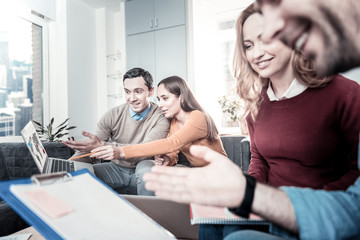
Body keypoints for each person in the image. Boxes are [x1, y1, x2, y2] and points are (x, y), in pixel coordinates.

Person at [143, 0, 360, 239]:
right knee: (212, 222)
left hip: (314, 213)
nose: (256, 53)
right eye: (248, 45)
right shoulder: (255, 103)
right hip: (263, 206)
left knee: (236, 235)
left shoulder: (345, 93)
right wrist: (248, 192)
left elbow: (354, 172)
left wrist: (285, 204)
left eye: (266, 39)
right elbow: (259, 159)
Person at [62, 67, 170, 196]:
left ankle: (148, 215)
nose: (132, 98)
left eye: (138, 91)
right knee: (81, 173)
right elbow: (92, 149)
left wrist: (107, 147)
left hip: (143, 166)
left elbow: (146, 149)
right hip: (115, 169)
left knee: (146, 168)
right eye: (127, 92)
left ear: (151, 92)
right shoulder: (112, 115)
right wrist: (67, 167)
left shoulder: (161, 116)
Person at [90, 76, 227, 167]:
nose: (160, 104)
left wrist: (121, 151)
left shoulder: (197, 116)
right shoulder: (173, 122)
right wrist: (167, 159)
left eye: (165, 98)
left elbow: (172, 143)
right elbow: (173, 151)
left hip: (220, 172)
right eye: (158, 99)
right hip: (199, 172)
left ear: (182, 97)